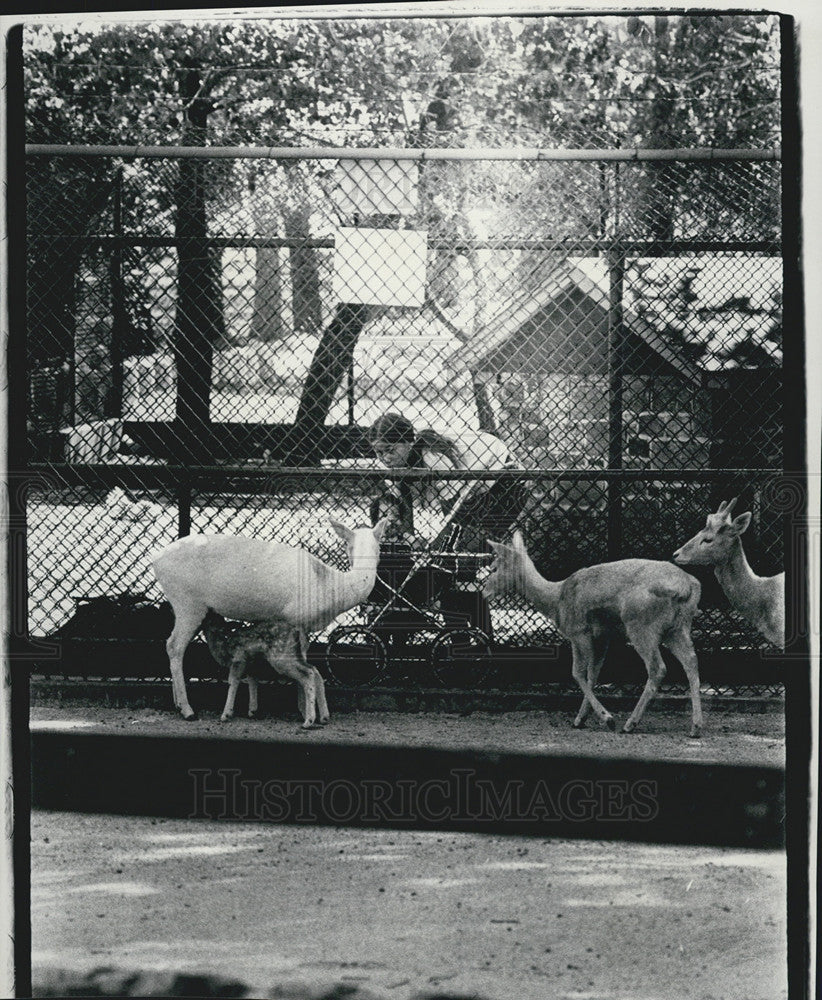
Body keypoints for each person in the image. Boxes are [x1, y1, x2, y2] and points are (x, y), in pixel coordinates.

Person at [368, 413, 523, 639]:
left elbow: (453, 514)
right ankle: (460, 636)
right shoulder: (396, 466)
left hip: (505, 480)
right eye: (378, 452)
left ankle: (474, 637)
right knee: (451, 562)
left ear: (408, 441)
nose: (385, 458)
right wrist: (412, 540)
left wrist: (435, 547)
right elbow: (404, 511)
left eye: (390, 450)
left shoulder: (433, 457)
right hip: (477, 489)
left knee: (459, 561)